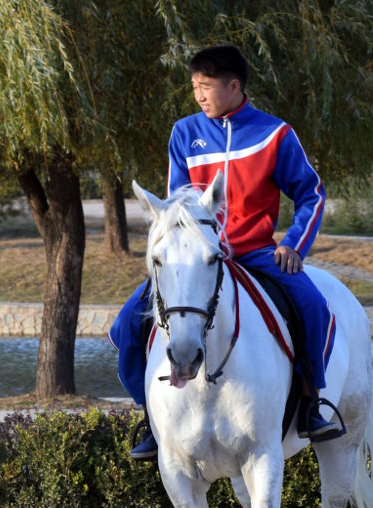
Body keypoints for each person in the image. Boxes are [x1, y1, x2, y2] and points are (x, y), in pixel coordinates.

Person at [112, 45, 339, 462]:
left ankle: (312, 406)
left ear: (233, 86)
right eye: (194, 86)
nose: (198, 94)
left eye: (205, 86)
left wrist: (294, 244)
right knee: (125, 325)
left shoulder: (275, 135)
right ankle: (149, 414)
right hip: (195, 260)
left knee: (315, 309)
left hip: (255, 254)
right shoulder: (184, 133)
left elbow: (312, 194)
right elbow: (176, 204)